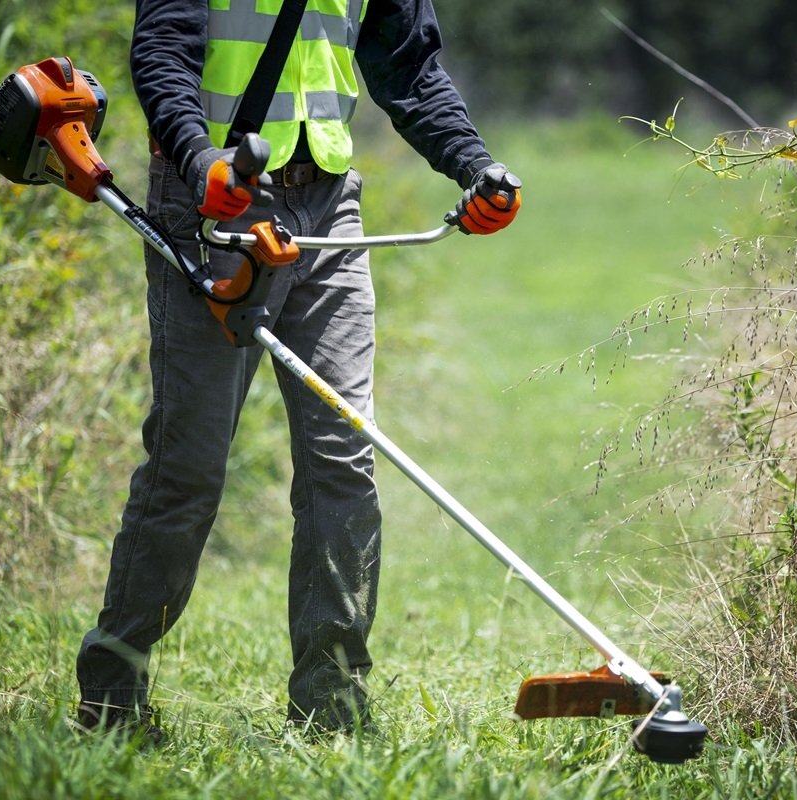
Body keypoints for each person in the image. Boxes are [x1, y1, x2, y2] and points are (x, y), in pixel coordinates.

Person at [74, 0, 521, 742]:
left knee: (343, 457)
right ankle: (112, 698)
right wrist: (198, 158)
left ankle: (332, 706)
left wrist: (474, 164)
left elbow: (407, 63)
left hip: (330, 205)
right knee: (189, 467)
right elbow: (162, 52)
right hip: (217, 197)